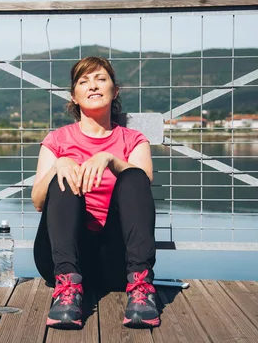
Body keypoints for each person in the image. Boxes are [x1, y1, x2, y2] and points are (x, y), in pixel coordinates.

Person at [31, 56, 159, 329]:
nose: (93, 86)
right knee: (64, 179)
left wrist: (110, 160)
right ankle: (67, 291)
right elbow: (38, 202)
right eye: (84, 81)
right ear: (74, 96)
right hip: (63, 258)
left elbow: (142, 186)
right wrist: (59, 166)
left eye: (101, 79)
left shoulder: (133, 139)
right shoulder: (57, 140)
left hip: (118, 260)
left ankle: (141, 288)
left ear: (115, 90)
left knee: (134, 175)